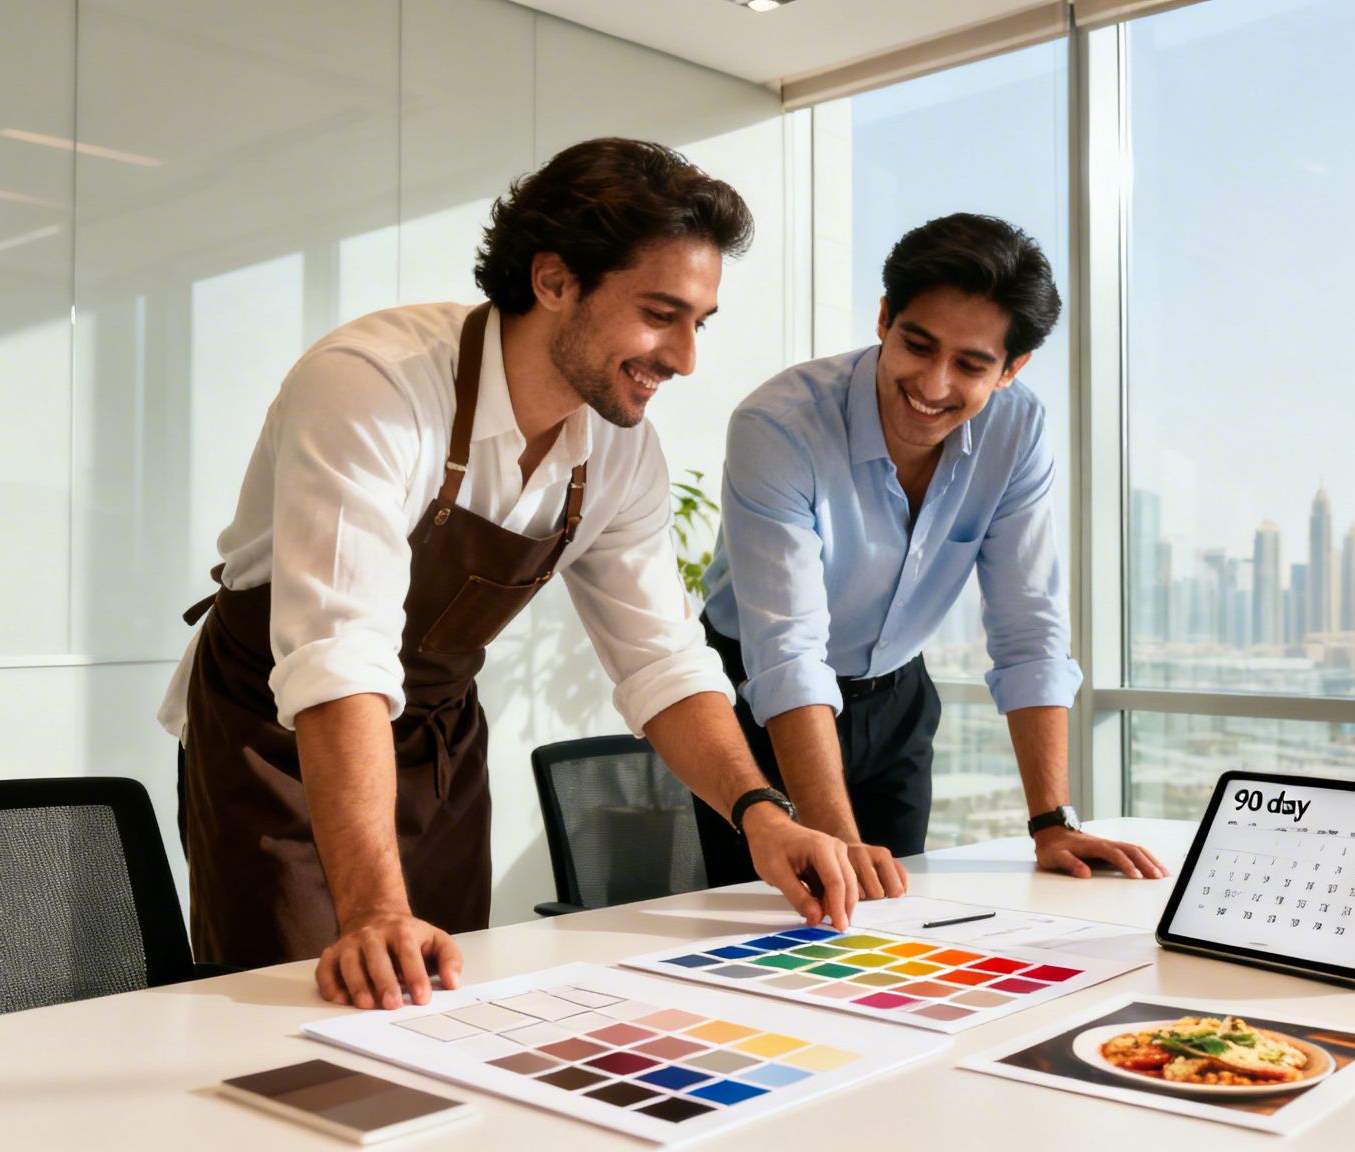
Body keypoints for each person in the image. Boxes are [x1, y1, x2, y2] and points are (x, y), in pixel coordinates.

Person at [160, 138, 856, 1010]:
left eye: (698, 323)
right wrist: (374, 908)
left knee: (447, 1003)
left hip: (439, 741)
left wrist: (762, 811)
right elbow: (339, 656)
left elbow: (663, 661)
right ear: (556, 280)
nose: (684, 358)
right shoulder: (372, 385)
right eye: (659, 314)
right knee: (299, 1012)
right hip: (283, 740)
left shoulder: (620, 449)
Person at [692, 213, 1166, 897]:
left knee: (890, 919)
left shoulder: (1018, 430)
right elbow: (788, 652)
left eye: (971, 364)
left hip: (896, 698)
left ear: (1011, 369)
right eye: (918, 345)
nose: (934, 384)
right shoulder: (780, 425)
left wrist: (1053, 822)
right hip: (761, 700)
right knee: (776, 926)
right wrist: (838, 841)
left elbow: (1029, 629)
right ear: (884, 318)